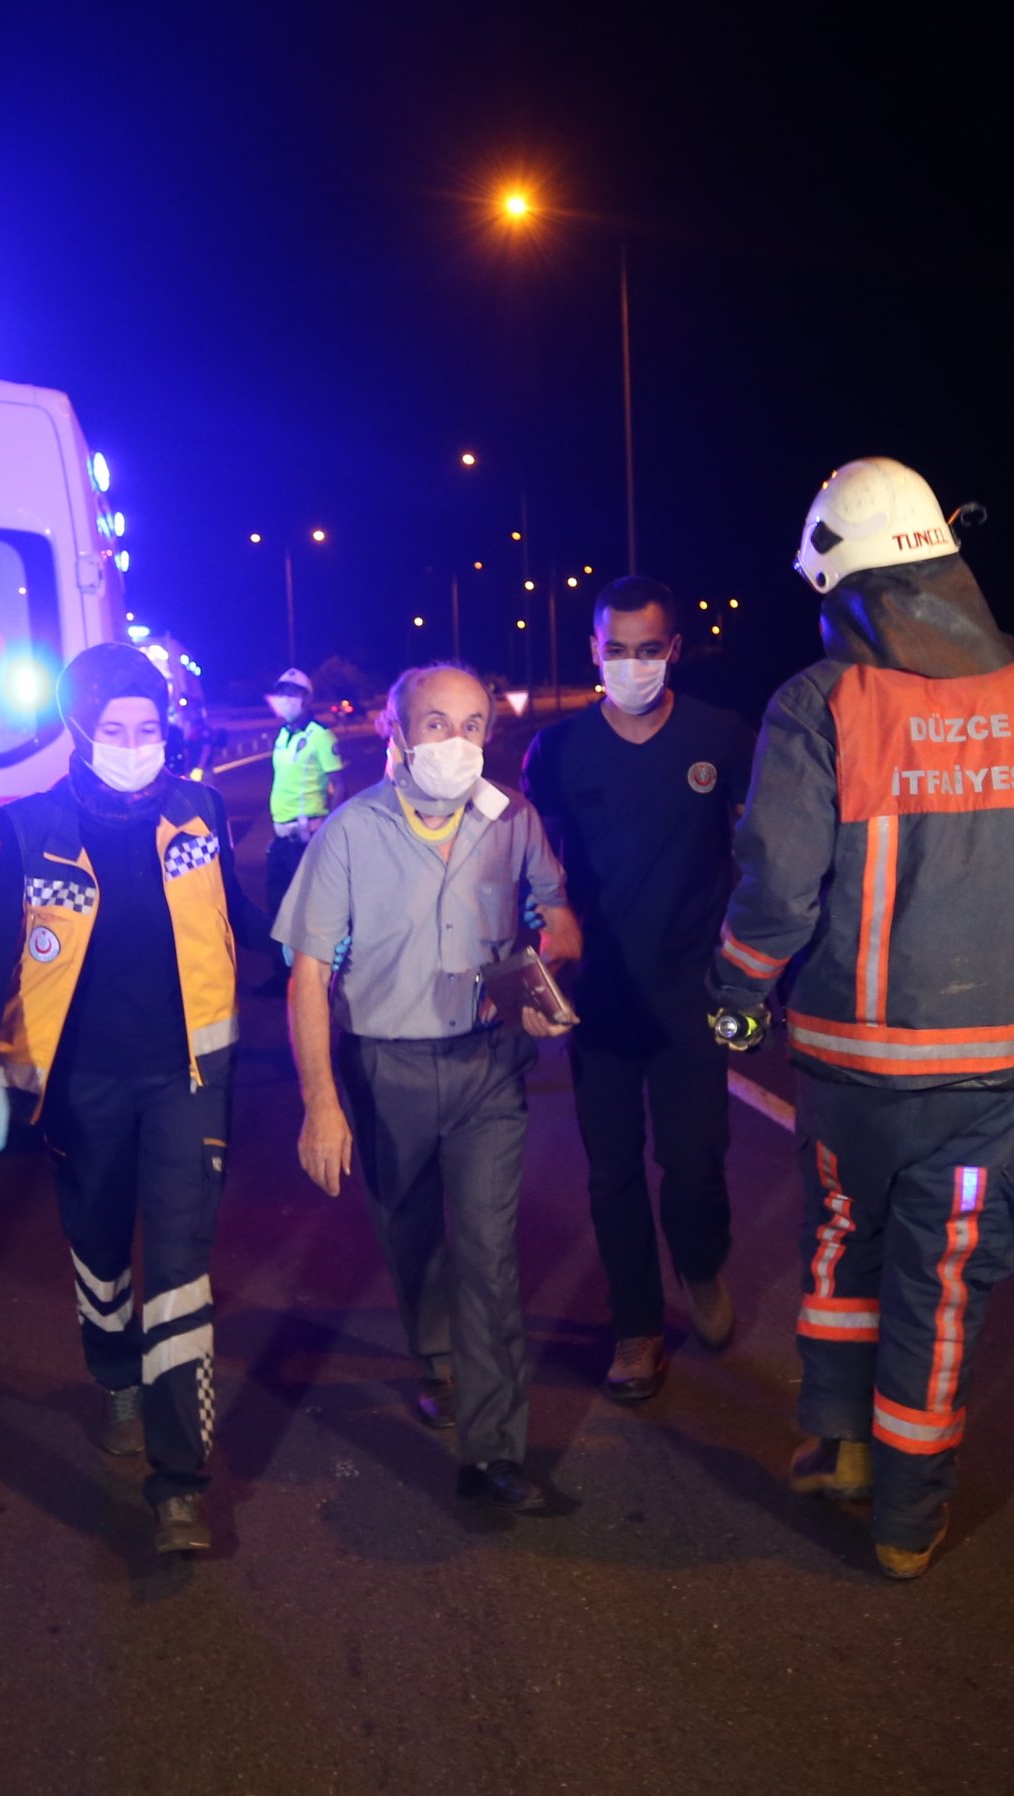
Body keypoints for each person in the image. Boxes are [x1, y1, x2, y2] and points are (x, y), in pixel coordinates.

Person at [708, 458, 1014, 1578]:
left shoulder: (819, 703)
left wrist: (737, 995)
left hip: (856, 1061)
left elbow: (779, 888)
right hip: (994, 1065)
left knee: (844, 1239)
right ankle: (910, 1523)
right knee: (942, 1281)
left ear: (842, 582)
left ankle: (841, 1447)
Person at [0, 642, 263, 1556]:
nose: (136, 744)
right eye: (116, 729)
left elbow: (238, 918)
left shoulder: (199, 810)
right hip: (80, 1085)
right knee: (98, 1246)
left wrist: (313, 945)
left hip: (187, 1078)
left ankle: (180, 1483)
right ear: (79, 731)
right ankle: (116, 1374)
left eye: (149, 727)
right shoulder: (25, 828)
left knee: (179, 1269)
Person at [275, 663, 581, 1511]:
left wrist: (543, 980)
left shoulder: (512, 820)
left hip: (489, 1069)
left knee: (489, 1257)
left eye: (474, 724)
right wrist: (321, 1104)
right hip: (386, 1071)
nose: (457, 741)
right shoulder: (350, 833)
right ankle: (437, 1360)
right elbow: (307, 976)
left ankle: (495, 1454)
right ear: (397, 731)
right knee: (411, 1239)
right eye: (438, 723)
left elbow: (558, 919)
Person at [523, 578, 754, 1403]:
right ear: (593, 651)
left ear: (674, 650)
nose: (631, 664)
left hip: (694, 994)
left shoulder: (721, 737)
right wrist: (536, 958)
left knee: (693, 1161)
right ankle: (636, 1329)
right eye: (616, 649)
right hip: (602, 1000)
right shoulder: (556, 752)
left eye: (648, 649)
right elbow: (532, 867)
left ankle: (700, 1262)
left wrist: (757, 963)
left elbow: (763, 852)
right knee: (611, 1170)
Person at [259, 668, 349, 991]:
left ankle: (312, 977)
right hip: (281, 837)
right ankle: (282, 974)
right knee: (277, 907)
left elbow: (339, 784)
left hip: (306, 838)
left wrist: (330, 829)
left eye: (293, 693)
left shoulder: (320, 736)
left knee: (307, 910)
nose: (285, 699)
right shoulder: (283, 734)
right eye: (281, 692)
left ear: (307, 699)